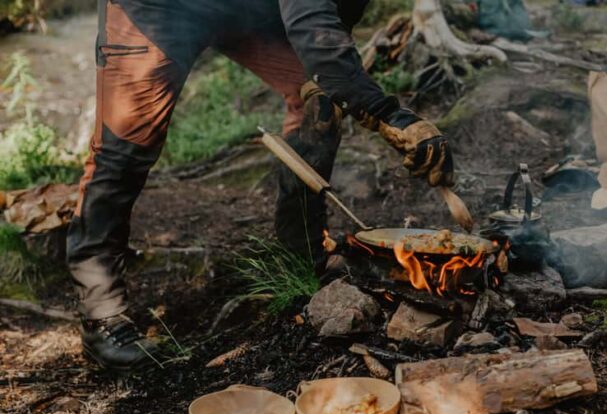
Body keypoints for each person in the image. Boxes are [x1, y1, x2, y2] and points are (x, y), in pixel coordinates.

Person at [69, 0, 455, 371]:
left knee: (318, 100)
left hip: (248, 8)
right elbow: (312, 23)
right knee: (125, 149)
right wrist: (387, 114)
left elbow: (332, 24)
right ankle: (101, 312)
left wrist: (343, 81)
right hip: (156, 10)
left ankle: (300, 258)